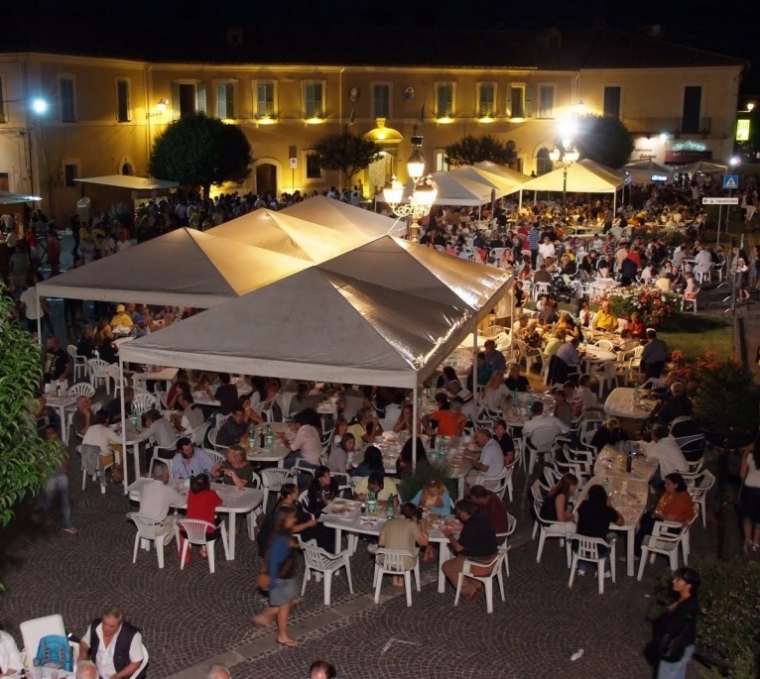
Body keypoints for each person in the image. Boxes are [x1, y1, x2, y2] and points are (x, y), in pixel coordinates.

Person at [252, 506, 300, 648]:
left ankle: (265, 617)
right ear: (284, 521)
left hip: (287, 577)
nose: (294, 519)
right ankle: (282, 636)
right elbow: (273, 563)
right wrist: (272, 583)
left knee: (291, 602)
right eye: (292, 518)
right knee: (284, 606)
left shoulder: (283, 535)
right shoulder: (280, 541)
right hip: (280, 581)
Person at [441, 499, 499, 601]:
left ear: (464, 513)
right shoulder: (484, 517)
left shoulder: (471, 526)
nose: (459, 517)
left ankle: (469, 590)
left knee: (447, 566)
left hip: (481, 562)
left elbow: (458, 548)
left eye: (459, 514)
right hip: (493, 556)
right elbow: (475, 532)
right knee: (459, 560)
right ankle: (477, 585)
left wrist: (449, 535)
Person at [654, 567, 700, 679]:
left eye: (679, 580)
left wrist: (668, 613)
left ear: (688, 586)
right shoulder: (689, 601)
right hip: (686, 647)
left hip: (676, 649)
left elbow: (671, 627)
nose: (673, 581)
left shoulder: (685, 607)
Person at [635, 473, 695, 556]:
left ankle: (637, 551)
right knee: (646, 517)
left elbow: (670, 518)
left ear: (676, 485)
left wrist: (656, 514)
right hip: (665, 518)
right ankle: (640, 541)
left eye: (668, 483)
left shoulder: (680, 499)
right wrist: (655, 513)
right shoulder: (671, 492)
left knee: (647, 526)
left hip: (673, 526)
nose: (665, 485)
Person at [79, 605, 145, 679]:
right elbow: (84, 643)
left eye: (111, 626)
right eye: (104, 623)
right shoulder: (95, 626)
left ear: (120, 624)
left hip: (118, 675)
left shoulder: (132, 635)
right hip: (97, 673)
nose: (106, 628)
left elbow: (136, 663)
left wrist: (118, 675)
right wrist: (82, 658)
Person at [573, 483, 624, 576]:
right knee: (613, 536)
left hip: (579, 546)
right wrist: (610, 506)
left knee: (586, 536)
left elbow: (580, 510)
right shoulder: (607, 510)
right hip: (598, 548)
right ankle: (604, 570)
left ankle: (582, 566)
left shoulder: (584, 505)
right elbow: (621, 522)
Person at [34, 425, 77, 534]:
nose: (50, 435)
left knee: (64, 501)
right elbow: (37, 464)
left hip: (61, 476)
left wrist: (65, 469)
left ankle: (66, 524)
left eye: (51, 433)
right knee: (46, 499)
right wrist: (41, 475)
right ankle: (39, 513)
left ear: (55, 434)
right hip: (49, 478)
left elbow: (65, 458)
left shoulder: (60, 445)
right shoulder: (42, 448)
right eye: (47, 433)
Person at [378, 502, 429, 581]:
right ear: (413, 516)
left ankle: (396, 579)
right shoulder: (412, 525)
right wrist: (423, 525)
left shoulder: (389, 522)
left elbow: (381, 543)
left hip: (387, 561)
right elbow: (425, 542)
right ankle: (399, 580)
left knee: (397, 547)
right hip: (405, 563)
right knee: (407, 550)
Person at [182, 473, 222, 562]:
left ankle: (203, 548)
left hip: (190, 530)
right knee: (215, 521)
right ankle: (205, 548)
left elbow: (188, 502)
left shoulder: (190, 493)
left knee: (199, 519)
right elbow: (220, 502)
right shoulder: (211, 494)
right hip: (207, 532)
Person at [137, 462, 184, 536]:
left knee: (168, 517)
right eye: (167, 474)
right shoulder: (168, 490)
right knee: (180, 518)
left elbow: (142, 497)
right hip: (156, 528)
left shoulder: (145, 487)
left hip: (142, 526)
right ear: (165, 476)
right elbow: (182, 501)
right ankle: (163, 541)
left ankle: (153, 541)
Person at [740, 437, 760, 553]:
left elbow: (742, 474)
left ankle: (747, 541)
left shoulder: (748, 454)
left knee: (747, 515)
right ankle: (756, 542)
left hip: (749, 488)